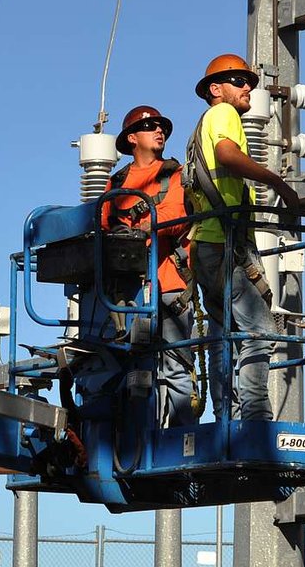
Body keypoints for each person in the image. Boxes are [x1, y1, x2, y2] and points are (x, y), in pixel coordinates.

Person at [185, 54, 300, 422]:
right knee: (260, 330)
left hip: (209, 244)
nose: (247, 86)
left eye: (248, 80)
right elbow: (226, 154)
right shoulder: (224, 115)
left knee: (224, 330)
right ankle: (254, 415)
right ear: (216, 90)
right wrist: (276, 180)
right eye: (237, 80)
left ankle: (227, 414)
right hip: (223, 243)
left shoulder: (201, 126)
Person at [101, 105, 196, 428]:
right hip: (127, 294)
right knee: (131, 371)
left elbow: (176, 217)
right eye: (150, 126)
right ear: (131, 138)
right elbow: (100, 227)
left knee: (176, 370)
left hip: (168, 287)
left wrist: (142, 227)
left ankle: (184, 441)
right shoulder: (117, 184)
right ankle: (136, 439)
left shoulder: (173, 174)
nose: (160, 131)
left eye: (162, 127)